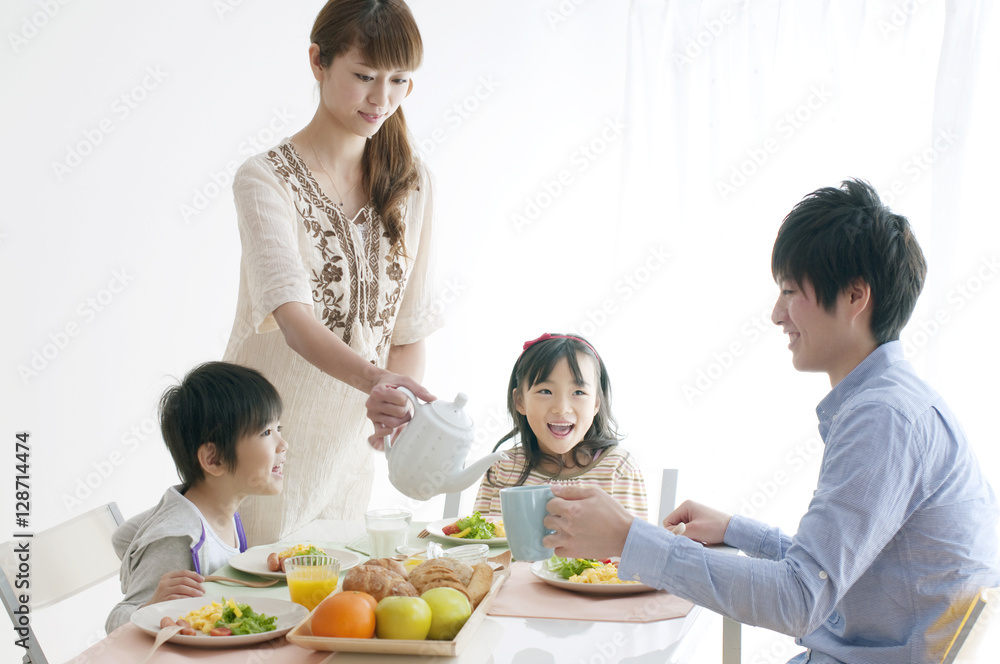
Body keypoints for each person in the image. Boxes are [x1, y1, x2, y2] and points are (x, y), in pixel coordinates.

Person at [542, 180, 1000, 664]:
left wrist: (627, 538)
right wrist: (738, 530)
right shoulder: (894, 403)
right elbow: (827, 570)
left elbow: (800, 598)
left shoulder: (884, 417)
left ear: (854, 296)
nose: (777, 314)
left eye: (790, 292)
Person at [222, 0, 442, 545]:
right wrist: (376, 381)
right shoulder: (264, 180)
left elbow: (408, 326)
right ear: (318, 61)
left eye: (399, 80)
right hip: (255, 440)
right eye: (364, 76)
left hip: (345, 456)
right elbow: (292, 318)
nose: (381, 98)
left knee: (331, 615)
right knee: (251, 612)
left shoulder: (413, 184)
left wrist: (393, 409)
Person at [106, 362, 287, 632]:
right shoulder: (180, 538)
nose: (283, 444)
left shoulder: (221, 511)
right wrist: (151, 606)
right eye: (266, 432)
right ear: (214, 459)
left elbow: (124, 535)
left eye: (279, 429)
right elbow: (115, 624)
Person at [474, 333, 647, 520]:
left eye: (579, 392)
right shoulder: (502, 467)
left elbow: (633, 546)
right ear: (520, 401)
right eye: (546, 391)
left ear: (596, 403)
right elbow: (479, 544)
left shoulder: (617, 468)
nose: (561, 408)